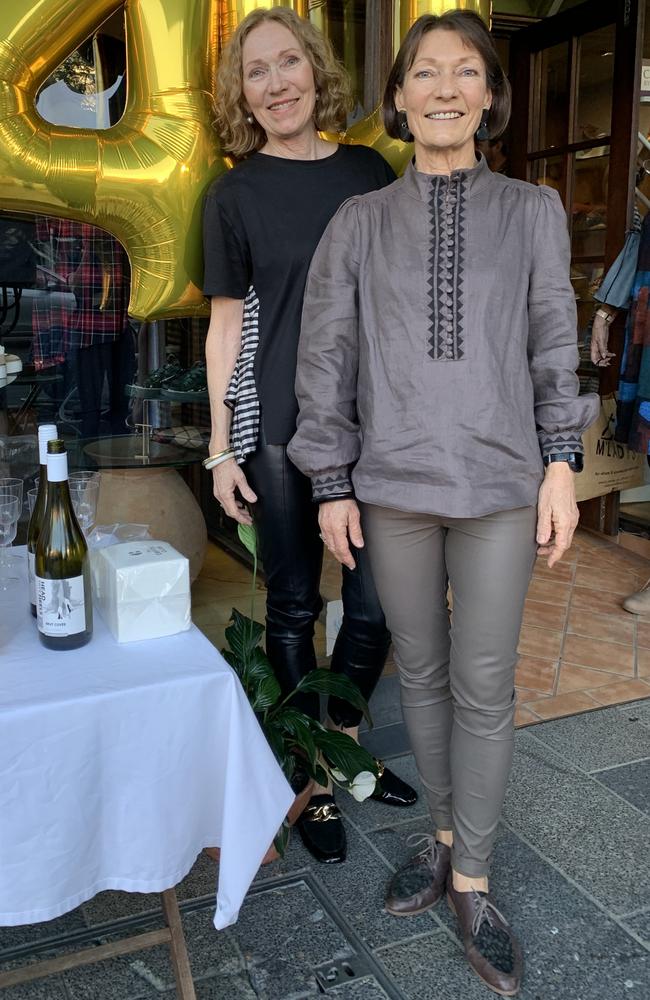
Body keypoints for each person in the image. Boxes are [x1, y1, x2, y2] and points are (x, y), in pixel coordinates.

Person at [288, 10, 598, 995]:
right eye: (425, 72)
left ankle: (471, 875)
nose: (445, 88)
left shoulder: (531, 208)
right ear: (399, 95)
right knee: (415, 673)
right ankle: (440, 834)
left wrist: (559, 464)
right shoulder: (358, 223)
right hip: (392, 485)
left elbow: (554, 336)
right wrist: (330, 479)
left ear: (487, 97)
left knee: (483, 682)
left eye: (466, 72)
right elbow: (324, 357)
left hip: (502, 482)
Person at [202, 7, 417, 866]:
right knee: (293, 605)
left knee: (379, 607)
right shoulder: (233, 194)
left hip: (381, 428)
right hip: (282, 433)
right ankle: (312, 777)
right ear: (241, 94)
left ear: (314, 71)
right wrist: (220, 449)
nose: (277, 82)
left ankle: (342, 739)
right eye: (257, 71)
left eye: (288, 62)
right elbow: (224, 330)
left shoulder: (369, 170)